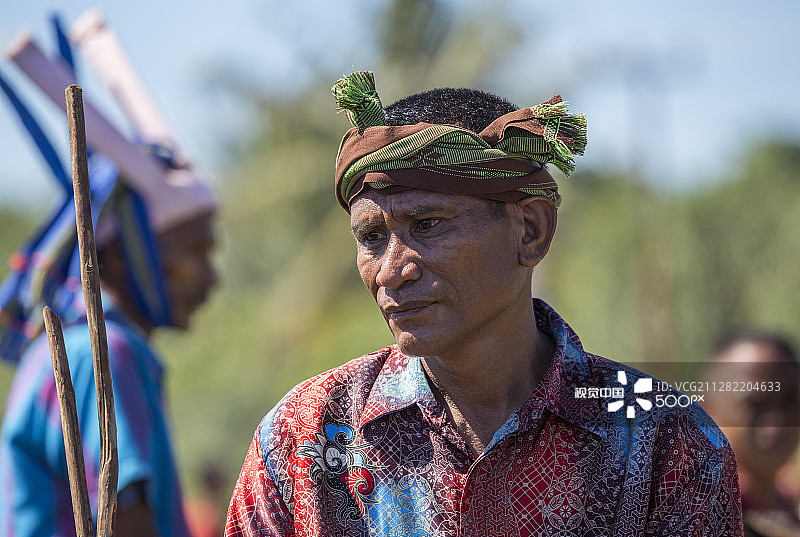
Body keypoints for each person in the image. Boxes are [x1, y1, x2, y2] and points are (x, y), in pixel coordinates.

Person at [225, 71, 742, 536]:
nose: (391, 270)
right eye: (372, 238)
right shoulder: (305, 437)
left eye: (428, 224)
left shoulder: (665, 444)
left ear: (531, 230)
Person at [0, 13, 217, 537]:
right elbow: (126, 521)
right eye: (195, 252)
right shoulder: (103, 354)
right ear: (121, 256)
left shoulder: (71, 350)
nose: (211, 279)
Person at [701, 331, 800, 537]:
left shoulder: (786, 506)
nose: (777, 419)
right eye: (756, 403)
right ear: (706, 411)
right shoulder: (695, 512)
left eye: (789, 399)